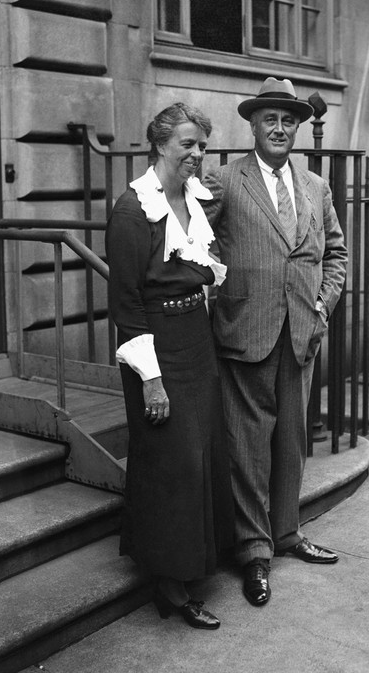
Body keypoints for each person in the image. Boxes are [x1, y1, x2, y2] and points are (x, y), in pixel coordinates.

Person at [202, 77, 348, 607]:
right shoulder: (224, 181)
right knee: (248, 448)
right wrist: (223, 290)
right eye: (271, 119)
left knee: (292, 441)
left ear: (297, 128)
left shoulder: (315, 187)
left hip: (301, 334)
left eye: (289, 120)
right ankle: (253, 553)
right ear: (254, 125)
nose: (280, 128)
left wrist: (322, 303)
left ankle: (287, 533)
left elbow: (337, 254)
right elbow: (194, 241)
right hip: (247, 333)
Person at [105, 102, 234, 629]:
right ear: (160, 145)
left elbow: (205, 265)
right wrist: (152, 381)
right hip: (155, 348)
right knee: (171, 464)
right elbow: (126, 304)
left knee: (200, 456)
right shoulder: (133, 212)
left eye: (202, 145)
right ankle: (170, 586)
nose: (198, 155)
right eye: (188, 145)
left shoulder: (194, 200)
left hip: (195, 340)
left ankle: (193, 564)